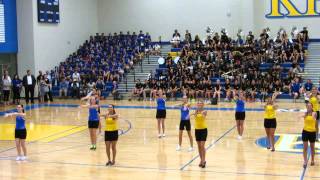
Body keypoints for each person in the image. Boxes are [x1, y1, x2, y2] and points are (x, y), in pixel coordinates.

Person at [191, 101, 207, 168]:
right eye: (198, 104)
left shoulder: (205, 111)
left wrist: (200, 112)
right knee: (199, 146)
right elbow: (194, 117)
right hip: (197, 130)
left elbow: (203, 117)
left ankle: (203, 160)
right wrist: (195, 112)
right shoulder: (195, 111)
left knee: (202, 145)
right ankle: (201, 160)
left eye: (200, 104)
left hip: (203, 129)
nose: (199, 105)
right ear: (197, 105)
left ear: (202, 105)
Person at [301, 103, 316, 168]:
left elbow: (313, 117)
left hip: (312, 132)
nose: (309, 107)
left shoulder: (314, 113)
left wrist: (310, 114)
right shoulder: (305, 113)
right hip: (305, 131)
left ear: (312, 107)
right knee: (305, 147)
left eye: (310, 106)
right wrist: (302, 116)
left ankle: (312, 160)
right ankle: (305, 161)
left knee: (312, 147)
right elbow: (302, 116)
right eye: (308, 106)